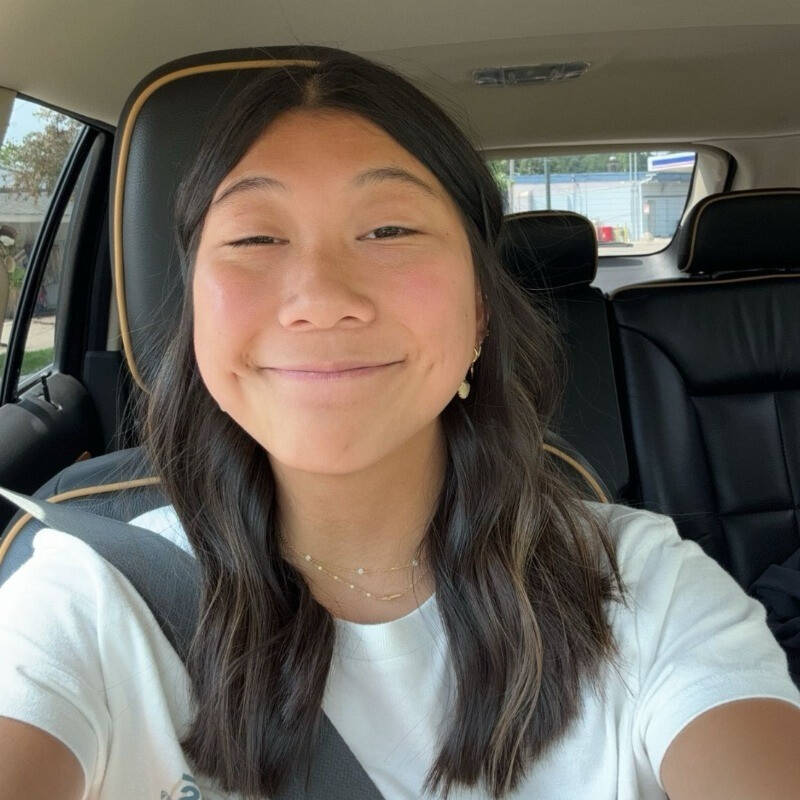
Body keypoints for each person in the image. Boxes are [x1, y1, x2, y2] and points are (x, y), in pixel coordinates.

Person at [1, 47, 799, 800]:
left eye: (389, 229)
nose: (319, 295)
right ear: (196, 317)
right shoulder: (88, 598)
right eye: (255, 236)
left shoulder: (643, 588)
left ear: (481, 309)